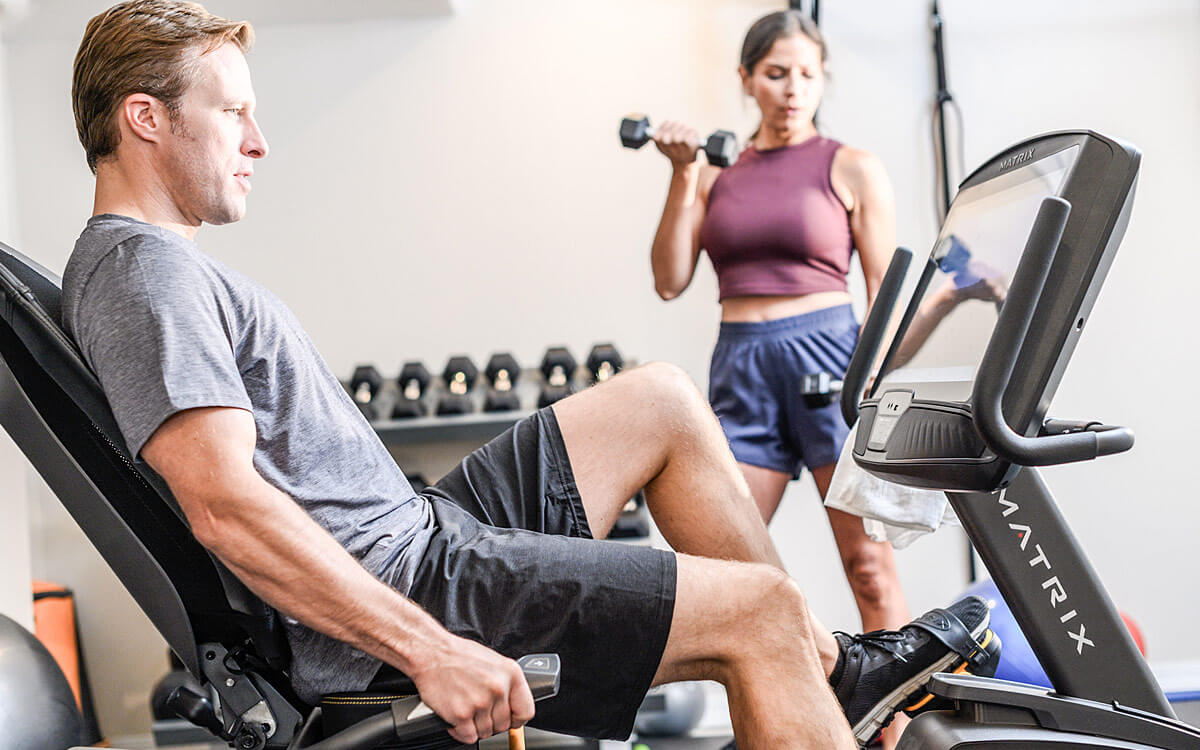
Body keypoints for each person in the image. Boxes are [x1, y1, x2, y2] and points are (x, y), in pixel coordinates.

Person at [63, 2, 996, 747]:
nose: (258, 140)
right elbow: (223, 506)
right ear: (146, 118)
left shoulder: (152, 266)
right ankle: (812, 659)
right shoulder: (146, 273)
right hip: (412, 582)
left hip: (424, 532)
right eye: (234, 112)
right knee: (764, 611)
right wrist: (432, 652)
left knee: (663, 399)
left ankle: (827, 668)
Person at [648, 10, 911, 640]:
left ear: (822, 81)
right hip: (743, 368)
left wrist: (879, 385)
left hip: (833, 363)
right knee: (727, 575)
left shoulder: (851, 166)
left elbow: (883, 291)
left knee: (869, 568)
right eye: (775, 74)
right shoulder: (715, 172)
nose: (793, 89)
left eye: (807, 75)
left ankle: (896, 732)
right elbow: (669, 278)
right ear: (746, 79)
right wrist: (682, 173)